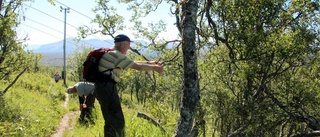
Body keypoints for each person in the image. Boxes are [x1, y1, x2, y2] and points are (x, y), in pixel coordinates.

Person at [94, 34, 164, 137]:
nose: (129, 48)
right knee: (117, 121)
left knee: (110, 120)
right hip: (107, 88)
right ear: (122, 44)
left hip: (101, 88)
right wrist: (156, 68)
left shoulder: (111, 53)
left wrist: (150, 63)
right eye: (128, 46)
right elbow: (138, 67)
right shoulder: (117, 55)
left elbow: (132, 62)